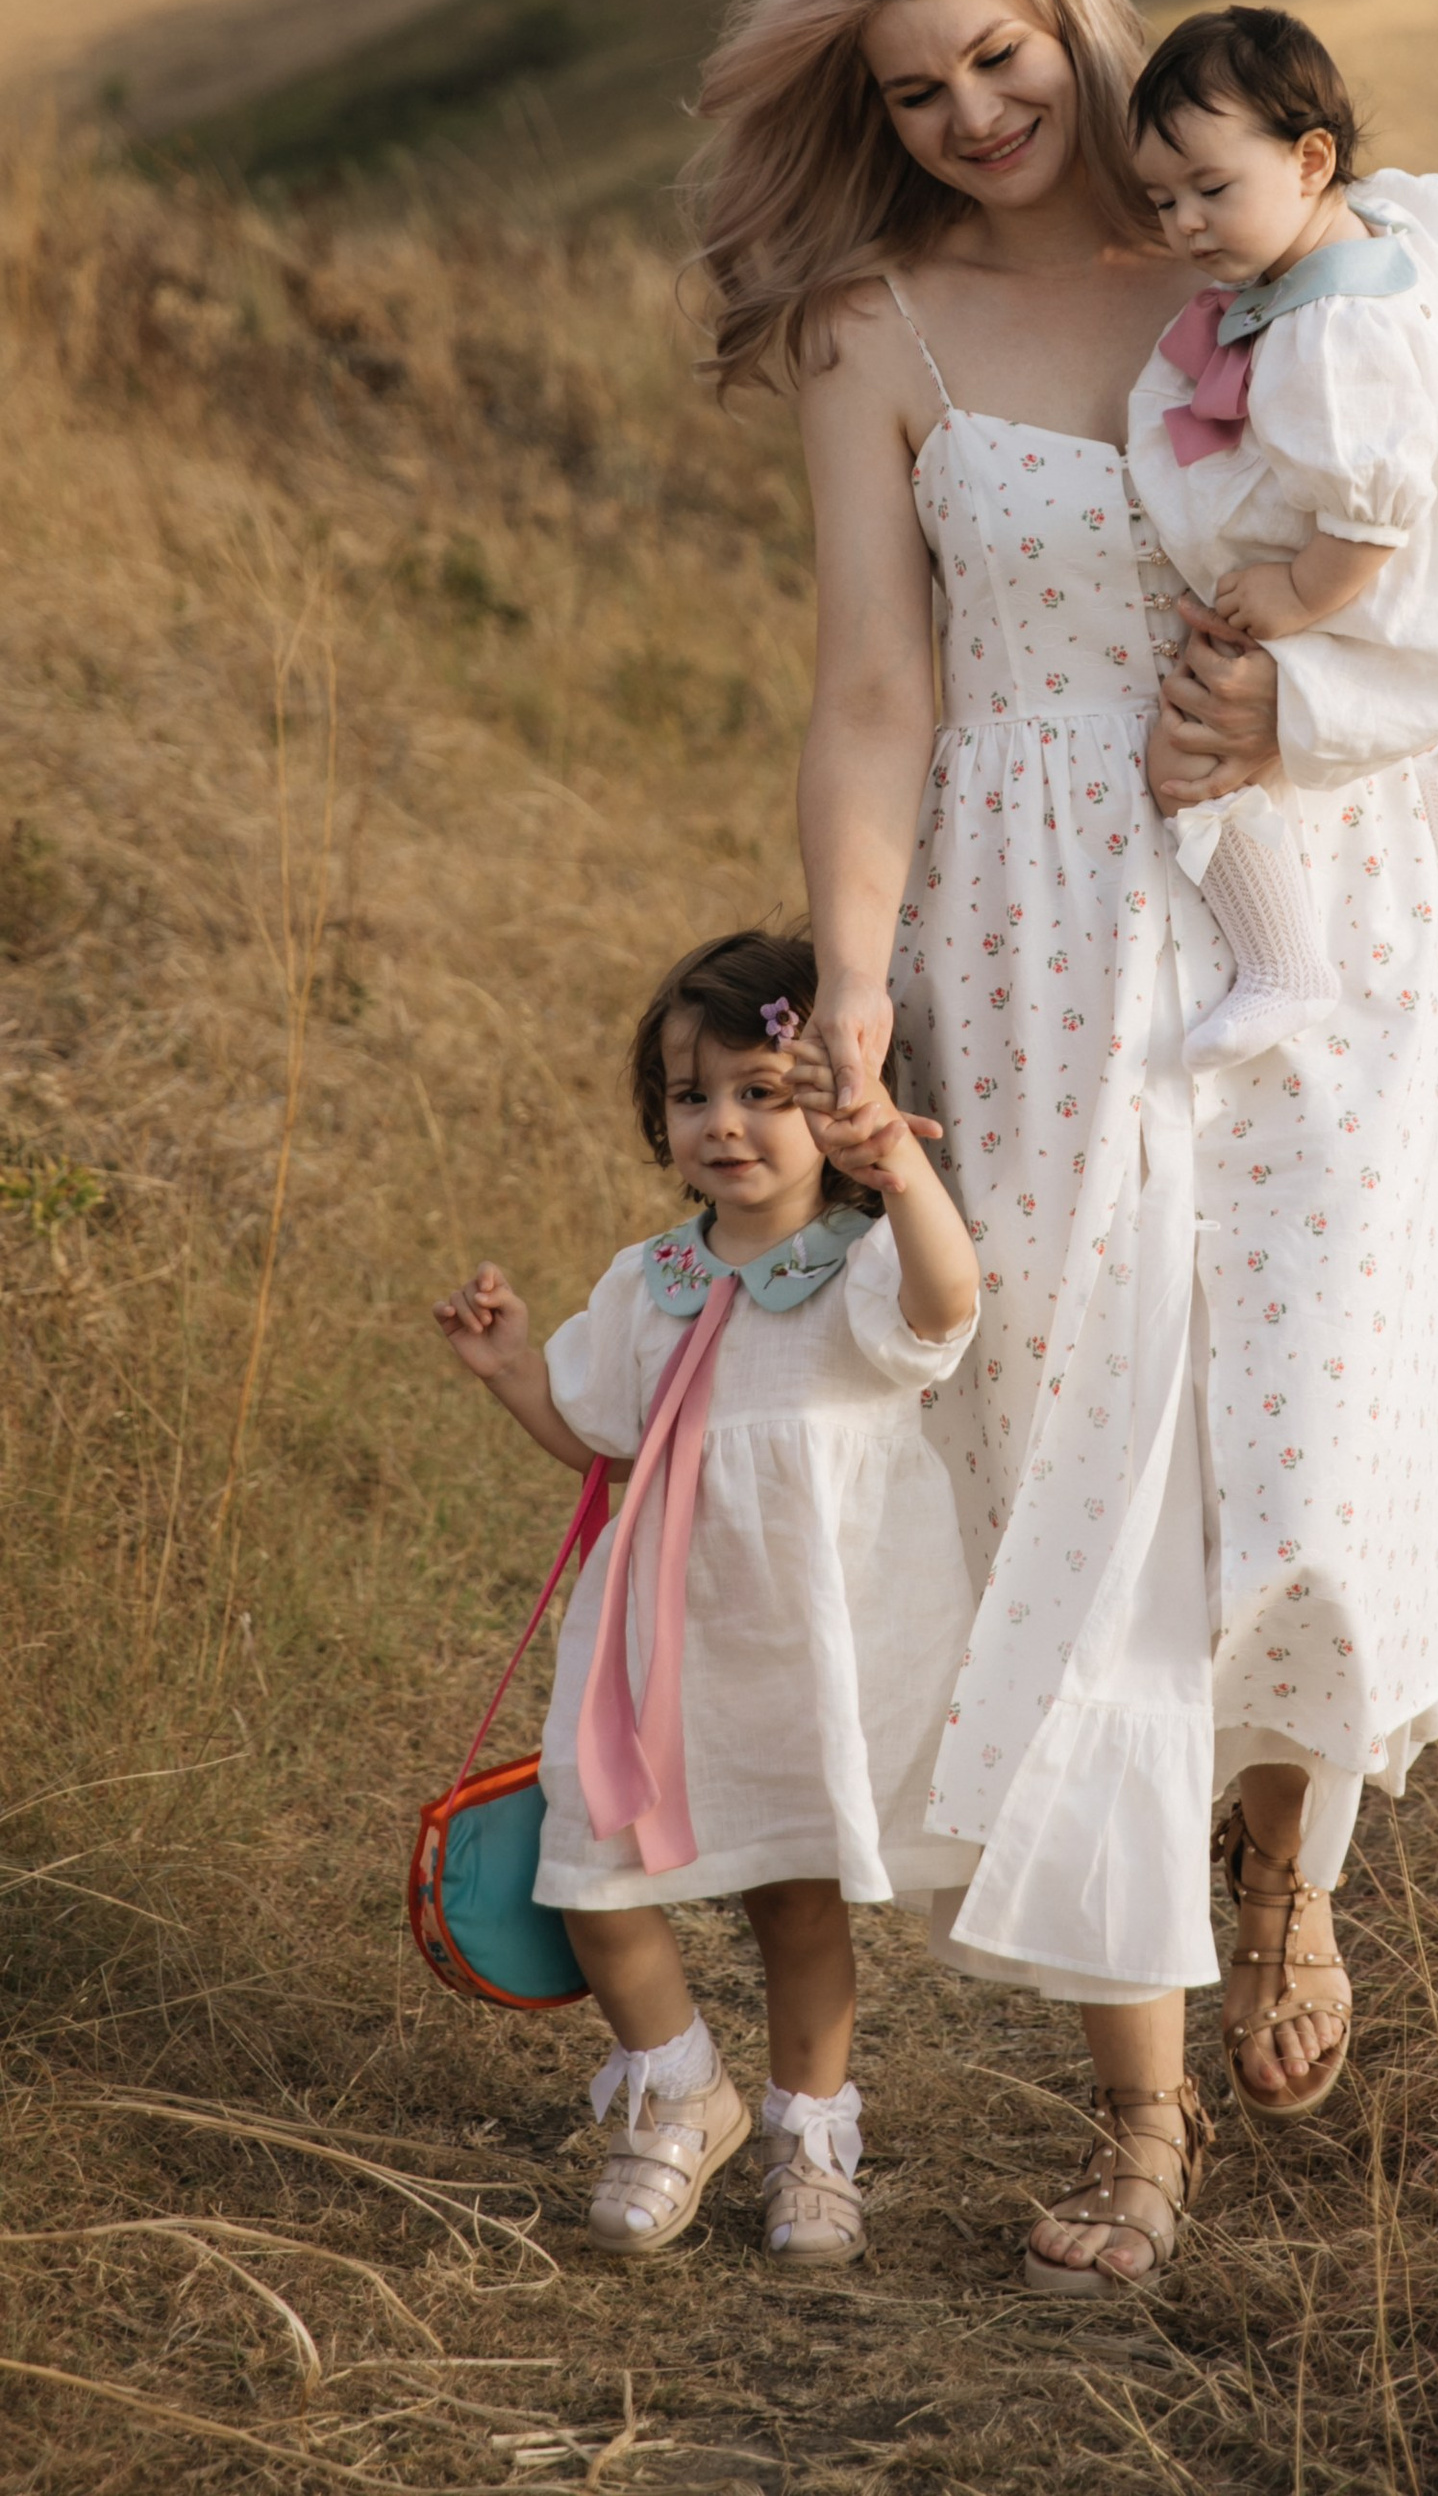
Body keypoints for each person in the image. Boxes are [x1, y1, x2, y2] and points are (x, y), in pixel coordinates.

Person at [690, 0, 1438, 2298]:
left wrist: (1308, 697)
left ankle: (1283, 1866)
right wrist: (852, 980)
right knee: (1079, 1465)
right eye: (913, 88)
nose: (972, 110)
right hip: (1033, 911)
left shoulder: (1291, 247)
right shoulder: (876, 327)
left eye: (1000, 56)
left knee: (1296, 1412)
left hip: (1317, 891)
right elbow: (876, 681)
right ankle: (1139, 2122)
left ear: (1076, 23)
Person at [430, 927, 981, 2267]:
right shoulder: (649, 1281)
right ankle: (680, 2084)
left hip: (799, 1640)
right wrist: (516, 1374)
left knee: (795, 1896)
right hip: (655, 1640)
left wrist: (901, 1165)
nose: (725, 1122)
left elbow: (948, 1299)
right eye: (693, 1095)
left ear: (837, 1111)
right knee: (593, 1876)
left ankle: (809, 2132)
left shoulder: (856, 1270)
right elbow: (601, 1435)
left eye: (765, 1089)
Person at [1122, 2, 1438, 1069]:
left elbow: (1370, 510)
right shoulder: (1382, 226)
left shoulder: (1330, 335)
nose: (1185, 223)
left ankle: (1284, 962)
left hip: (1376, 563)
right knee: (1410, 730)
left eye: (1210, 188)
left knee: (1189, 749)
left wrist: (1294, 594)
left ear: (1310, 158)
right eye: (1162, 199)